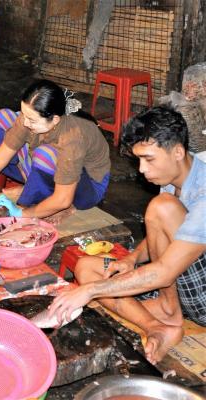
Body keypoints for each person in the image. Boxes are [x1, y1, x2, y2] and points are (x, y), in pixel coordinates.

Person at [48, 107, 206, 364]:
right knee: (86, 267)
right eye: (139, 160)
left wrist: (89, 292)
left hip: (202, 300)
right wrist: (132, 259)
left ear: (178, 151)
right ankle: (157, 326)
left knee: (161, 207)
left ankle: (168, 309)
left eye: (149, 159)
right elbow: (164, 233)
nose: (142, 169)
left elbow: (165, 271)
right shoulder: (173, 175)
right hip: (179, 284)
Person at [0, 79, 111, 219]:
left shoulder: (72, 139)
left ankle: (34, 197)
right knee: (4, 117)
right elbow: (0, 157)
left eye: (32, 120)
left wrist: (22, 213)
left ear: (55, 120)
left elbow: (63, 199)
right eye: (25, 115)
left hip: (87, 188)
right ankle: (34, 189)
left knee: (44, 155)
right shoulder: (30, 119)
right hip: (56, 169)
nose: (25, 123)